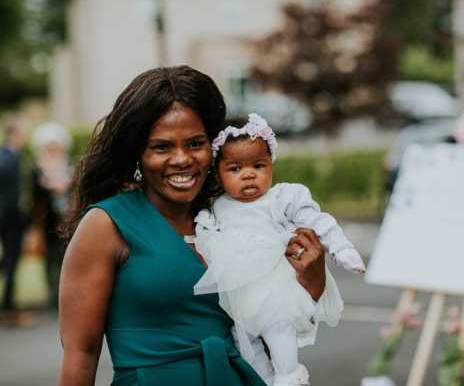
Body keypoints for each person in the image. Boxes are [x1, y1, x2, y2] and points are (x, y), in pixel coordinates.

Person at [59, 66, 330, 386]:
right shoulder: (106, 225)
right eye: (162, 147)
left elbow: (273, 326)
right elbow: (81, 354)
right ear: (138, 154)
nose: (181, 159)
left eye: (195, 143)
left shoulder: (233, 218)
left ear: (213, 147)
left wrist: (312, 279)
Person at [193, 113, 366, 385]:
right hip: (239, 298)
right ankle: (265, 379)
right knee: (245, 344)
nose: (248, 174)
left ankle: (288, 378)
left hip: (275, 293)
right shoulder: (218, 207)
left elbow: (318, 222)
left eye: (258, 165)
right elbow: (203, 233)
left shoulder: (281, 198)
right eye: (235, 169)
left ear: (271, 165)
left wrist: (342, 249)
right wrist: (203, 225)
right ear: (218, 173)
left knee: (279, 334)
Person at [30, 122, 73, 308]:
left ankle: (67, 294)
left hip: (67, 220)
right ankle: (52, 295)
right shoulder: (37, 170)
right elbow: (35, 197)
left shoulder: (70, 168)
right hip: (47, 221)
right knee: (50, 259)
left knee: (67, 257)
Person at [0, 120, 33, 326]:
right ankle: (8, 307)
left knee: (10, 260)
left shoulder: (12, 157)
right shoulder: (7, 159)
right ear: (14, 134)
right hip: (9, 219)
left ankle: (8, 304)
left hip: (9, 218)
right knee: (12, 260)